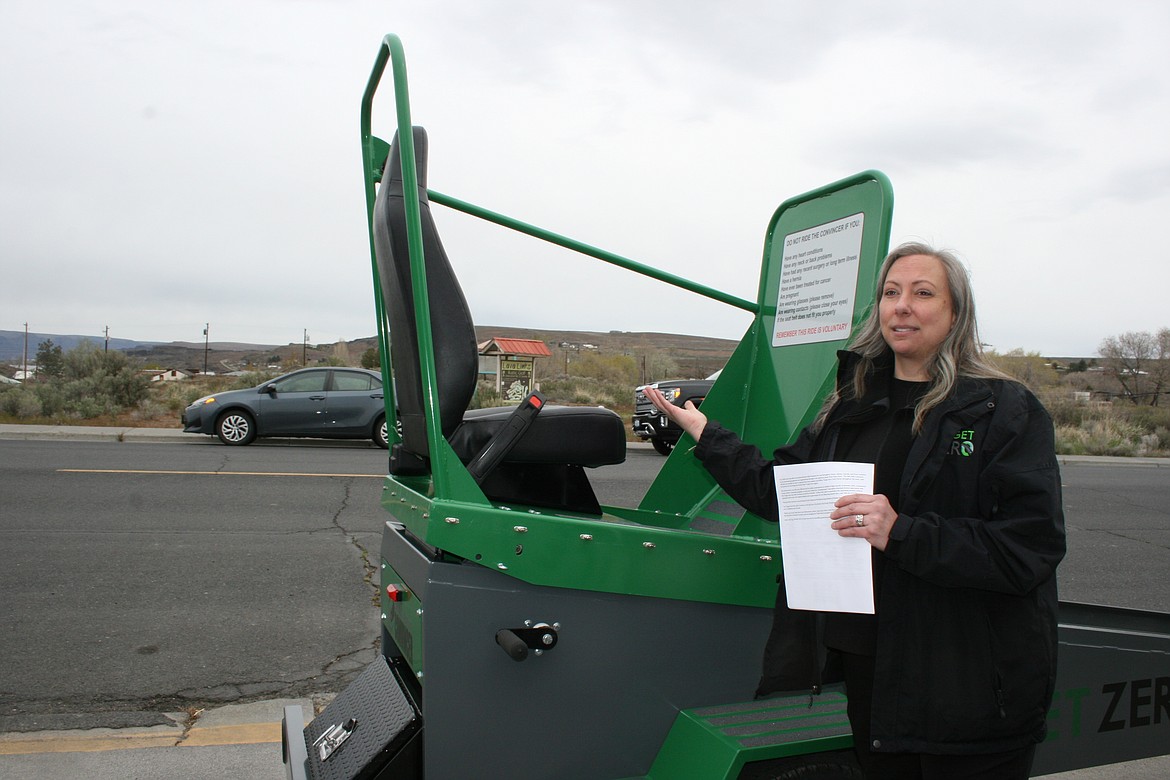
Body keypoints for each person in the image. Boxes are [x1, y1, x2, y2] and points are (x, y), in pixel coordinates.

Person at [645, 242, 1065, 780]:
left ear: (956, 313)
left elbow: (1029, 548)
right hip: (876, 677)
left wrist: (902, 533)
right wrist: (707, 434)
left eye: (922, 293)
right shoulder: (853, 406)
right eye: (891, 293)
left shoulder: (1003, 410)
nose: (902, 306)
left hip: (969, 689)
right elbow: (784, 493)